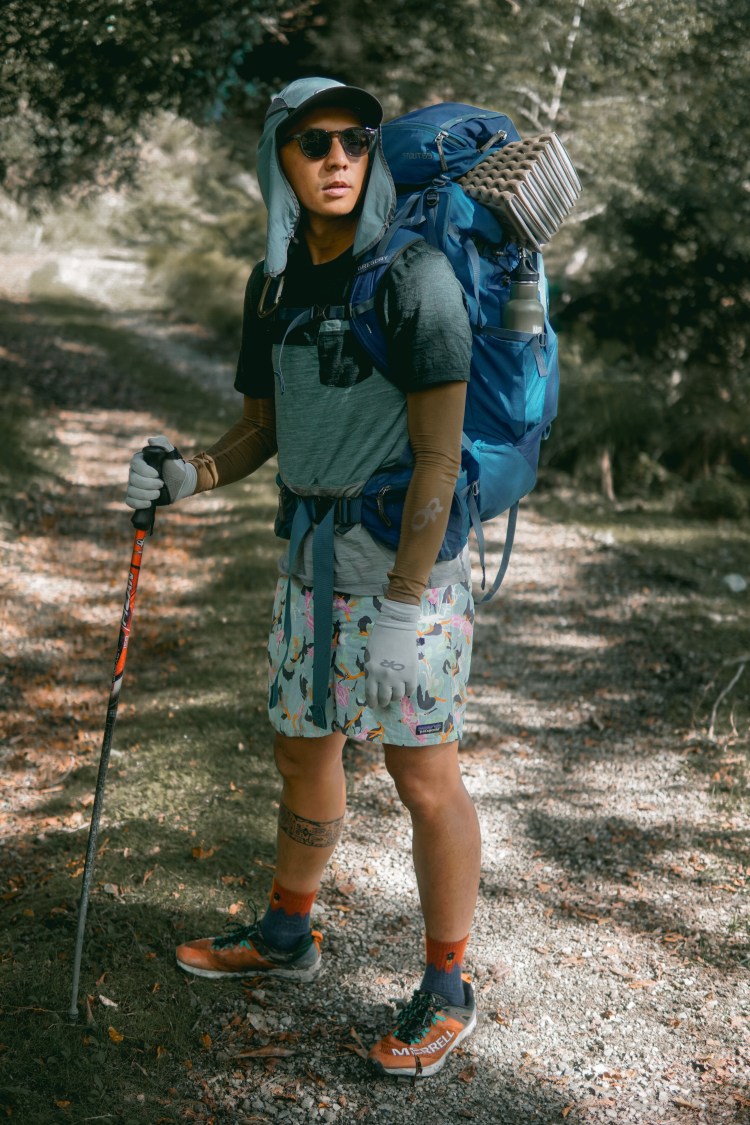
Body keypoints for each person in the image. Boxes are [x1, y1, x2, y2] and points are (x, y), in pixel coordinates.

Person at [126, 77, 481, 1079]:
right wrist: (184, 475)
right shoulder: (273, 284)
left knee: (423, 773)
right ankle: (287, 932)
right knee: (301, 747)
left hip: (407, 575)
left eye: (356, 140)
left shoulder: (415, 279)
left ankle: (450, 983)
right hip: (306, 570)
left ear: (372, 155)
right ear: (279, 156)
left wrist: (410, 601)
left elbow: (440, 458)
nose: (337, 157)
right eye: (314, 140)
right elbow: (258, 431)